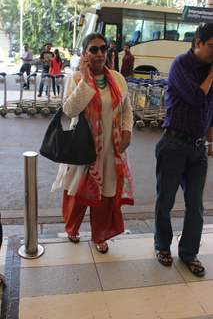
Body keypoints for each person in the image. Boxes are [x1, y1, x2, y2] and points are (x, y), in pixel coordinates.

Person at [51, 32, 134, 253]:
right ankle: (72, 229)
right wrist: (86, 77)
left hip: (111, 150)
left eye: (103, 49)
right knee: (77, 194)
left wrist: (127, 131)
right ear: (85, 53)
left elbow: (127, 110)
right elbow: (70, 110)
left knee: (106, 195)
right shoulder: (76, 79)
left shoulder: (117, 78)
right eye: (94, 49)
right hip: (84, 149)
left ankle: (100, 235)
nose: (100, 54)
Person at [154, 23, 213, 277]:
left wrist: (211, 139)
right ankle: (162, 246)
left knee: (196, 206)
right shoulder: (180, 64)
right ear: (198, 43)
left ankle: (189, 252)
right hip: (173, 144)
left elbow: (211, 108)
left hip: (198, 148)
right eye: (212, 46)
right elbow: (196, 98)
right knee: (165, 201)